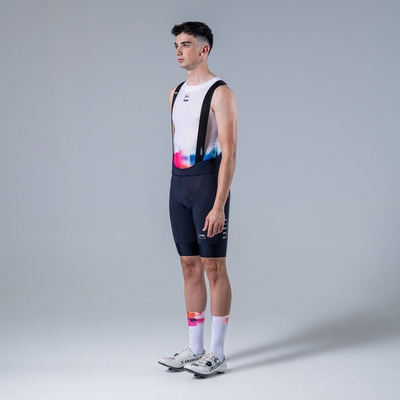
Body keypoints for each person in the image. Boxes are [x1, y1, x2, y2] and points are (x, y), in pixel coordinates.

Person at [158, 21, 238, 378]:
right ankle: (195, 348)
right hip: (179, 186)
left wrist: (219, 204)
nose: (179, 51)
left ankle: (217, 354)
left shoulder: (221, 92)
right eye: (177, 45)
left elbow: (230, 153)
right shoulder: (174, 93)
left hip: (207, 186)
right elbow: (179, 141)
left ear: (204, 50)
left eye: (186, 44)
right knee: (189, 266)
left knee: (213, 268)